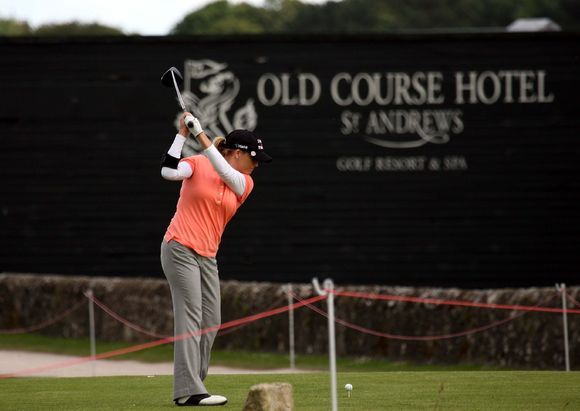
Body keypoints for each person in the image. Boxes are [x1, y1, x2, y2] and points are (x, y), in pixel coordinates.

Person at [160, 112, 271, 407]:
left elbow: (225, 172)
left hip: (208, 255)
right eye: (254, 158)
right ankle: (189, 391)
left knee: (211, 320)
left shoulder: (244, 183)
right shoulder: (198, 163)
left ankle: (193, 385)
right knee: (191, 316)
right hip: (179, 247)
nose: (257, 164)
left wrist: (201, 135)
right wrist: (183, 134)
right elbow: (168, 172)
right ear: (237, 153)